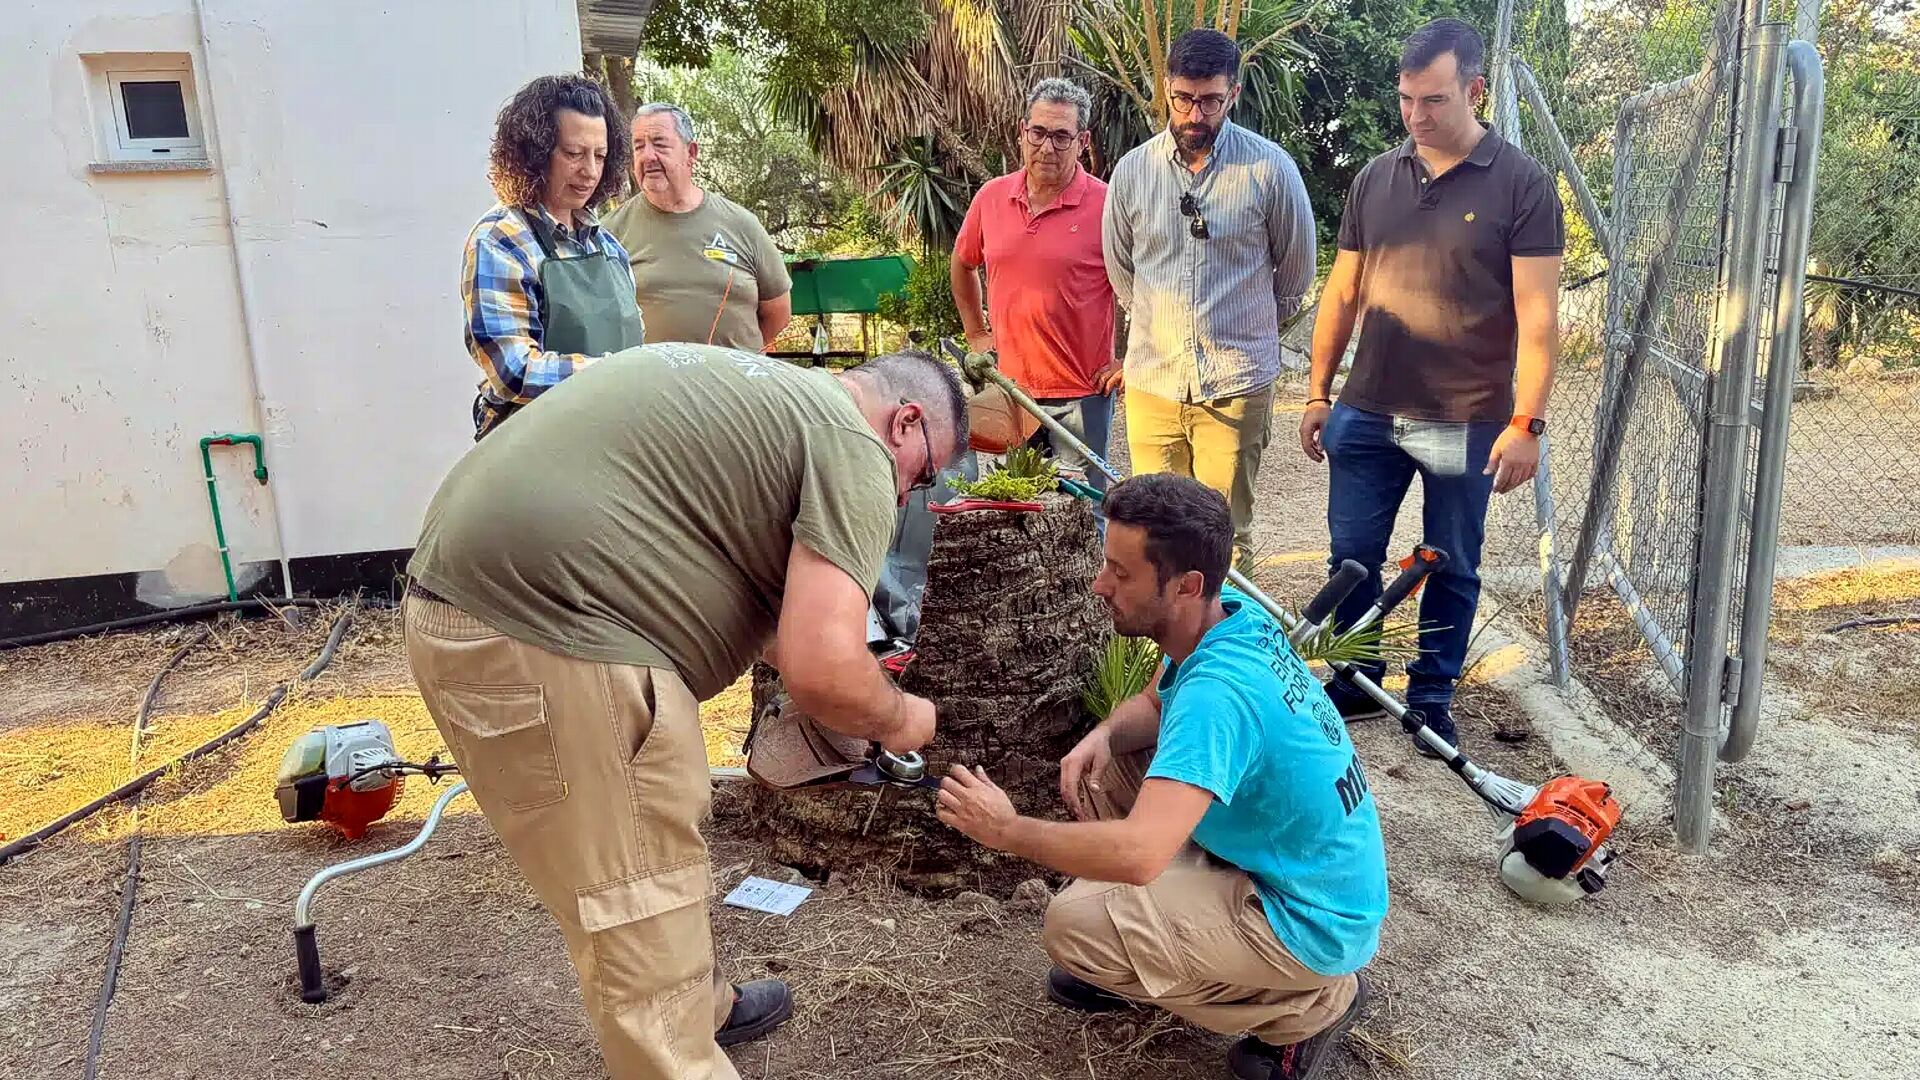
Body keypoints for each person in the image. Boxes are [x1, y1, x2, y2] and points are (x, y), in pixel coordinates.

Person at [403, 344, 967, 1080]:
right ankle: (679, 1041)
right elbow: (822, 666)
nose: (904, 502)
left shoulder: (773, 397)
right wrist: (901, 719)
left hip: (482, 608)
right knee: (633, 898)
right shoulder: (855, 443)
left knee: (648, 854)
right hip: (553, 635)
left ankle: (703, 1005)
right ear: (906, 422)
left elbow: (744, 595)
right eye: (921, 479)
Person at [936, 474, 1387, 1080]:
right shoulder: (1230, 615)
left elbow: (1141, 855)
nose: (1100, 586)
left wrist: (1007, 829)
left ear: (1186, 585)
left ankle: (1308, 1007)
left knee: (1074, 929)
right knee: (1113, 768)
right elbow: (1154, 704)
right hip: (1287, 859)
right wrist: (1104, 734)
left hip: (1310, 920)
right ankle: (1170, 945)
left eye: (1121, 574)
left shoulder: (1218, 697)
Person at [1300, 18, 1562, 756]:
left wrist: (1527, 424)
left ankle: (1433, 697)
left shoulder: (1521, 185)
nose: (1417, 116)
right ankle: (1357, 678)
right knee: (1351, 555)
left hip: (1468, 420)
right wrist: (1320, 393)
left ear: (1474, 91)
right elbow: (1343, 293)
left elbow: (1540, 320)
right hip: (1365, 411)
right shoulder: (1375, 178)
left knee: (1451, 559)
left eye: (1435, 100)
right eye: (1407, 100)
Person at [1103, 29, 1316, 570]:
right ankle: (1169, 655)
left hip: (1235, 387)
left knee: (1226, 536)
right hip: (1153, 387)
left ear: (1234, 94)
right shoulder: (1132, 172)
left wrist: (1239, 335)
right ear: (1165, 90)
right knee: (1156, 537)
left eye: (1211, 101)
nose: (1195, 114)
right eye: (1183, 99)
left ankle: (1225, 652)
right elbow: (1123, 273)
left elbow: (1293, 280)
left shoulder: (1271, 170)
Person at [952, 78, 1120, 490]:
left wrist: (1130, 359)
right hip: (1007, 391)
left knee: (1083, 513)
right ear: (1022, 132)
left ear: (1082, 141)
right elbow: (962, 264)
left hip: (1081, 397)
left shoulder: (1108, 204)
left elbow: (1148, 282)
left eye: (1062, 136)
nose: (1048, 147)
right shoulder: (991, 198)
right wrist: (976, 333)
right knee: (1007, 513)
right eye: (1039, 133)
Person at [463, 75, 644, 440]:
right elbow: (514, 371)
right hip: (534, 450)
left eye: (600, 156)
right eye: (574, 153)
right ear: (535, 153)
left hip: (612, 441)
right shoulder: (500, 239)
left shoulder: (608, 248)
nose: (590, 171)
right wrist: (618, 376)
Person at [603, 103, 793, 351]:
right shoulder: (608, 233)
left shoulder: (742, 224)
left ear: (691, 152)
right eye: (639, 146)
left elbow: (778, 312)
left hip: (734, 386)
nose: (648, 156)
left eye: (659, 144)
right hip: (651, 387)